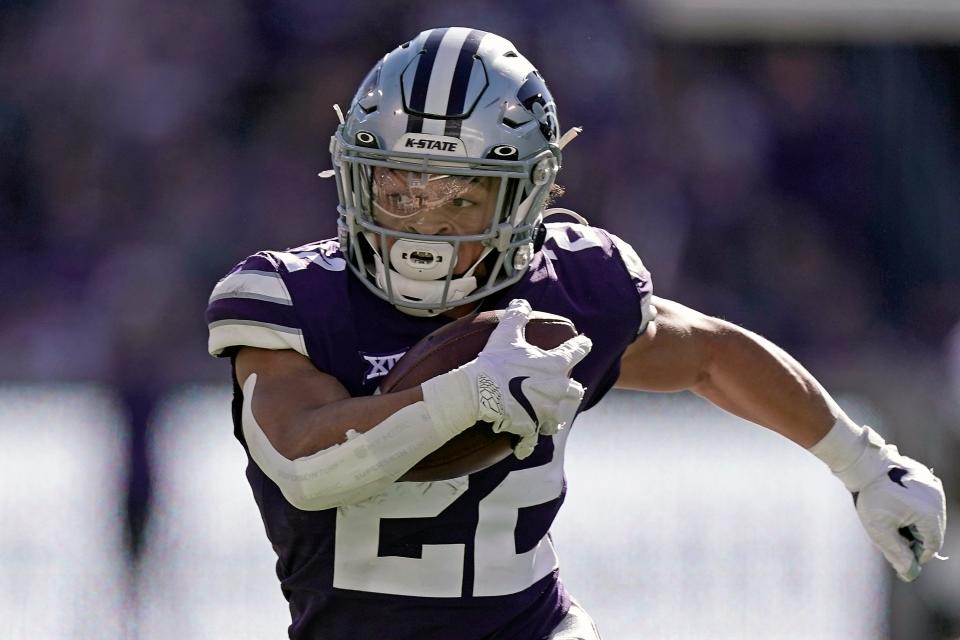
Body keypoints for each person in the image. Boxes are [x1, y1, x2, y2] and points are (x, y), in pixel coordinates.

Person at [206, 27, 947, 640]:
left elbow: (710, 357)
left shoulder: (570, 289)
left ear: (525, 196)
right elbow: (304, 465)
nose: (421, 225)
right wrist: (465, 394)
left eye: (460, 198)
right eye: (396, 191)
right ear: (354, 178)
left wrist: (864, 462)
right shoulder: (288, 295)